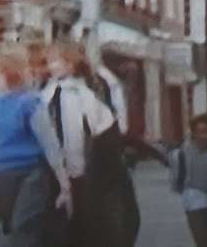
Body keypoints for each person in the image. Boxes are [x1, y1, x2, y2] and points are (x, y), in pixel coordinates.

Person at [0, 41, 71, 247]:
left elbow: (50, 144)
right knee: (11, 225)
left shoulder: (29, 103)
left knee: (22, 228)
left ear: (4, 67)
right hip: (1, 175)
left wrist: (64, 185)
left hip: (31, 173)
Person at [42, 42, 138, 247]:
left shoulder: (84, 94)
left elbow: (105, 130)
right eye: (49, 61)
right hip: (60, 172)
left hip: (87, 173)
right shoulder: (49, 92)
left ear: (70, 64)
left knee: (88, 227)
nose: (50, 66)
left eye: (55, 61)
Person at [169, 114, 207, 247]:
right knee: (203, 239)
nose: (203, 136)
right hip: (193, 202)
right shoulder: (184, 151)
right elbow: (178, 176)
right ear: (193, 133)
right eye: (199, 132)